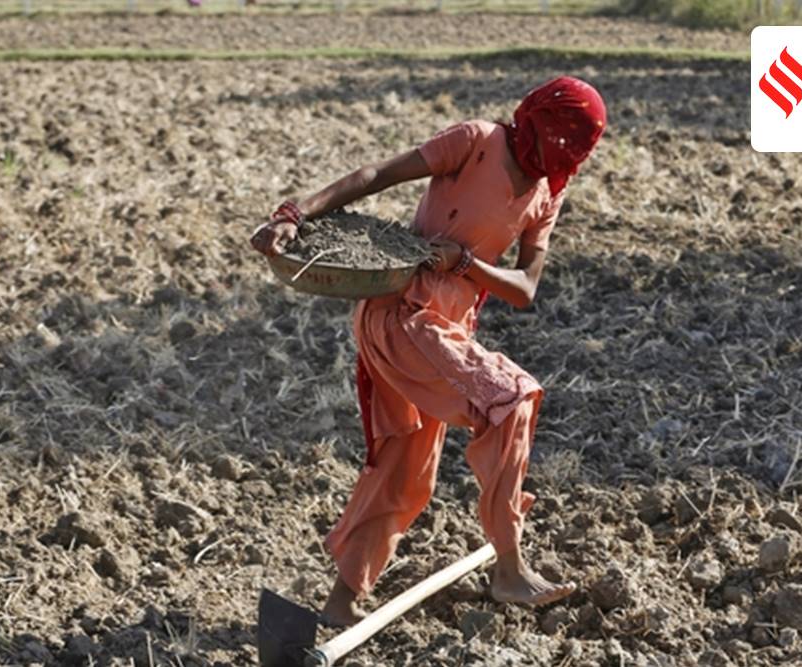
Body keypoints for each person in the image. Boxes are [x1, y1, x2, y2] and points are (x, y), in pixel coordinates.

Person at [250, 76, 606, 626]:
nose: (561, 156)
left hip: (449, 330)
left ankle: (339, 606)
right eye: (558, 139)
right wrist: (292, 215)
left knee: (406, 467)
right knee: (511, 399)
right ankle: (509, 569)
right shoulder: (476, 141)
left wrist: (466, 264)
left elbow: (525, 288)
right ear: (535, 120)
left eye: (573, 149)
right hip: (402, 315)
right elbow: (376, 176)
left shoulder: (547, 192)